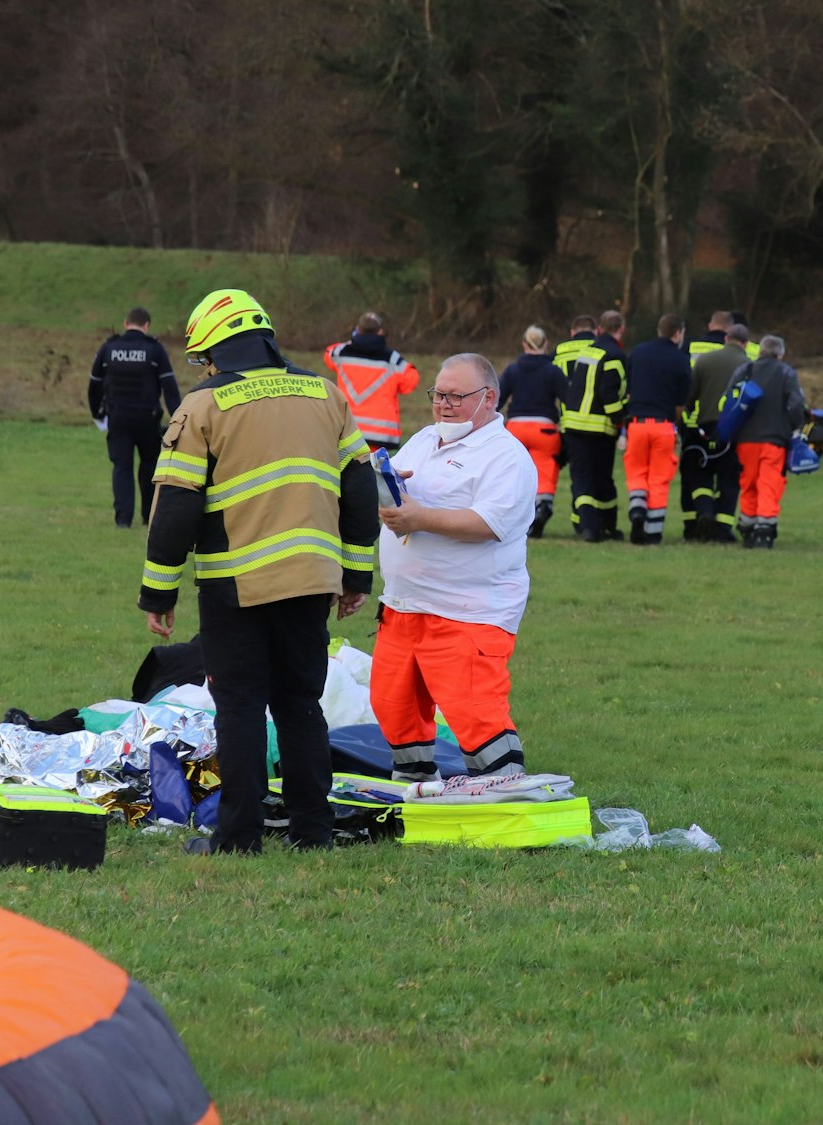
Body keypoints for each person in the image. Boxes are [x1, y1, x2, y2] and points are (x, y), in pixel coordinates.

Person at [139, 288, 378, 854]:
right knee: (301, 706)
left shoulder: (202, 406)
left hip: (234, 585)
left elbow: (175, 506)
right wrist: (356, 576)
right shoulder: (326, 395)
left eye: (203, 358)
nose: (206, 368)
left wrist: (158, 592)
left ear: (216, 350)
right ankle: (313, 832)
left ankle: (240, 837)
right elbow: (361, 489)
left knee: (241, 707)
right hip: (312, 582)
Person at [374, 354, 538, 779]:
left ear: (489, 398)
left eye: (455, 396)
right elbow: (404, 499)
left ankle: (505, 795)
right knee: (394, 708)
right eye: (438, 395)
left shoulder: (507, 455)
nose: (444, 404)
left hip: (467, 610)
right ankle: (414, 792)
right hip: (404, 607)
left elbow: (489, 522)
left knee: (476, 714)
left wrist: (420, 517)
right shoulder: (425, 439)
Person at [89, 307, 180, 528]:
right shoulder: (155, 350)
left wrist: (97, 414)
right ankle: (149, 516)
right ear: (146, 326)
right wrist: (179, 419)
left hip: (118, 418)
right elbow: (169, 388)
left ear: (125, 323)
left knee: (122, 467)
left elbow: (94, 385)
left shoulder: (109, 348)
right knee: (149, 466)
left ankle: (123, 520)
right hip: (147, 419)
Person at [559, 309, 629, 542]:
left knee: (582, 477)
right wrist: (620, 418)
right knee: (603, 478)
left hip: (574, 426)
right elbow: (608, 392)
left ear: (599, 329)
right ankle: (605, 526)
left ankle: (590, 526)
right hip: (600, 428)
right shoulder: (615, 356)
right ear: (621, 330)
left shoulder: (588, 351)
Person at [621, 313, 691, 545]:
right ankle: (653, 533)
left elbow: (628, 390)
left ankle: (638, 509)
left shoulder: (638, 352)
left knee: (637, 473)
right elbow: (681, 403)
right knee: (659, 480)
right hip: (663, 426)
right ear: (678, 333)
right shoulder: (680, 359)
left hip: (637, 424)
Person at [733, 334, 807, 549]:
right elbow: (795, 404)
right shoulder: (787, 373)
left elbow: (729, 400)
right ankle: (764, 531)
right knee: (769, 484)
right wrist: (796, 426)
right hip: (774, 439)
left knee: (748, 483)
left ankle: (747, 526)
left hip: (746, 439)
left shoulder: (744, 370)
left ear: (760, 351)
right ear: (780, 354)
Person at [682, 322, 752, 542]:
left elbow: (689, 397)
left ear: (725, 339)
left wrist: (686, 424)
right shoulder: (749, 365)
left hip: (704, 427)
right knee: (729, 479)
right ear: (746, 344)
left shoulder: (705, 360)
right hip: (734, 430)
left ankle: (704, 511)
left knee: (700, 473)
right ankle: (722, 529)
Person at [497, 325, 567, 538]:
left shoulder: (512, 369)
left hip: (515, 428)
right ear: (546, 344)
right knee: (545, 470)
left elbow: (496, 400)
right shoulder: (553, 370)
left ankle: (518, 514)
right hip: (544, 428)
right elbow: (568, 398)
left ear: (524, 345)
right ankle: (543, 506)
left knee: (515, 474)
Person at [324, 311, 422, 451]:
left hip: (347, 430)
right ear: (381, 331)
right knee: (374, 471)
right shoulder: (392, 360)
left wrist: (353, 341)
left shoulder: (341, 353)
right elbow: (411, 381)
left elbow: (328, 354)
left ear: (358, 330)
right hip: (380, 434)